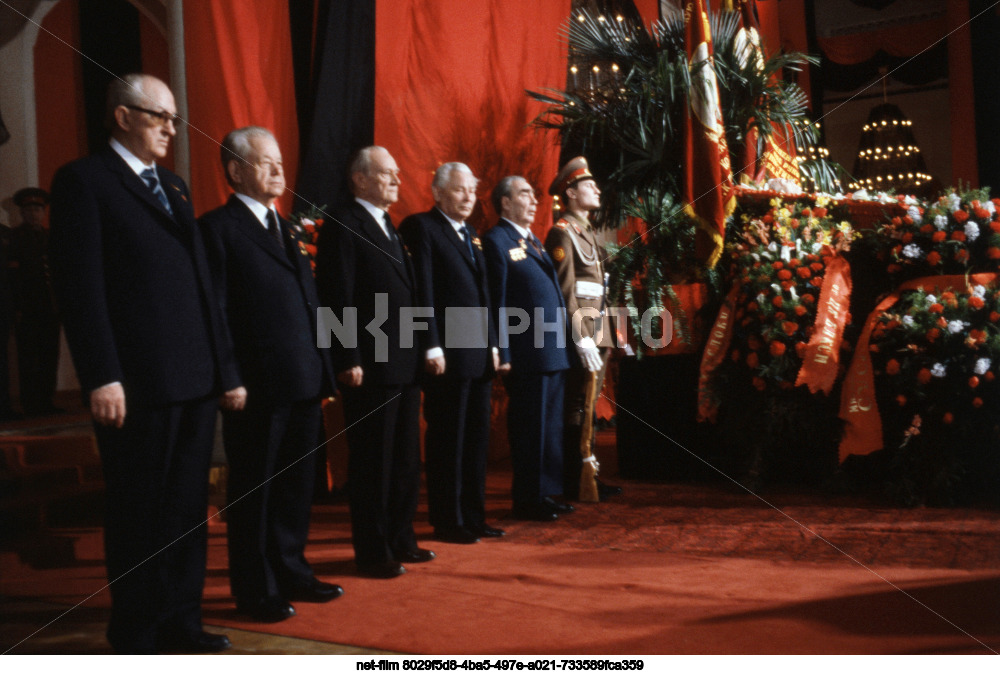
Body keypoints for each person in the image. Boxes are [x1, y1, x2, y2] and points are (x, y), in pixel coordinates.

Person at [48, 73, 240, 654]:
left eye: (175, 119)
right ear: (123, 116)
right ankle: (136, 633)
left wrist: (225, 371)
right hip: (135, 382)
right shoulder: (84, 181)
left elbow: (205, 288)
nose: (171, 129)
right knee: (139, 512)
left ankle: (182, 623)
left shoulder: (175, 187)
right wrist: (101, 372)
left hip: (194, 378)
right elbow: (80, 288)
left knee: (186, 510)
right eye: (160, 117)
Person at [200, 127, 342, 623]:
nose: (280, 171)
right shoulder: (217, 228)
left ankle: (292, 571)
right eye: (267, 163)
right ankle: (254, 588)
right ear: (237, 171)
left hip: (302, 380)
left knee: (295, 489)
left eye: (280, 161)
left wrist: (325, 372)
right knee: (255, 491)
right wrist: (227, 376)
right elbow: (215, 311)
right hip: (255, 387)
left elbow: (310, 305)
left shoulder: (286, 227)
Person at [314, 146, 433, 578]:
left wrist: (423, 347)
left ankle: (402, 538)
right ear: (360, 179)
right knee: (373, 463)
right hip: (370, 363)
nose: (397, 181)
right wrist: (347, 355)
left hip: (403, 361)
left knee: (404, 459)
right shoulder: (344, 224)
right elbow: (337, 295)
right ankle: (372, 549)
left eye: (398, 173)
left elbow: (411, 294)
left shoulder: (391, 226)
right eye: (387, 174)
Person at [398, 163, 503, 544]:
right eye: (459, 190)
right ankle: (448, 519)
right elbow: (422, 289)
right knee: (448, 442)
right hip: (446, 351)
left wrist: (493, 342)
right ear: (437, 192)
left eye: (471, 191)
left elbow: (484, 294)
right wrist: (431, 343)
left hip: (477, 351)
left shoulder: (473, 234)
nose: (467, 197)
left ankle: (474, 516)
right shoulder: (422, 227)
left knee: (476, 441)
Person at [482, 176, 572, 521]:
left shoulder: (532, 240)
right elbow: (498, 301)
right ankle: (527, 497)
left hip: (551, 348)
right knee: (530, 428)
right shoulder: (496, 240)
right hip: (526, 351)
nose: (534, 201)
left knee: (550, 427)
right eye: (524, 195)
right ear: (505, 203)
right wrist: (502, 351)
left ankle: (545, 491)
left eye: (534, 196)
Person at [544, 157, 623, 501]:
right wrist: (581, 338)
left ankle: (586, 472)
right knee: (578, 406)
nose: (597, 189)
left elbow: (600, 289)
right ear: (571, 193)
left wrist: (611, 331)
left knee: (589, 406)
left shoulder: (587, 231)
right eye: (589, 185)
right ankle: (574, 476)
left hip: (597, 330)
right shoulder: (562, 232)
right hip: (582, 335)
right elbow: (565, 292)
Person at [9, 187, 61, 416]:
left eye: (37, 209)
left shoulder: (50, 237)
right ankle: (31, 405)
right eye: (28, 209)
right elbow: (13, 278)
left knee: (50, 355)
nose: (33, 214)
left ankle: (47, 401)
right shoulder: (14, 239)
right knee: (29, 359)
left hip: (50, 307)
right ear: (21, 212)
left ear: (44, 212)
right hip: (27, 308)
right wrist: (17, 307)